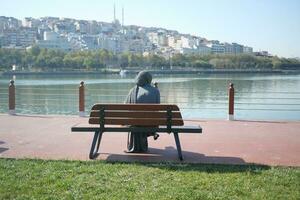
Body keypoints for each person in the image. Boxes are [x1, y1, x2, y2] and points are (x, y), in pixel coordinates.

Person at [125, 70, 160, 153]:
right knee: (148, 119)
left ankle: (135, 145)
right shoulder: (155, 91)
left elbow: (125, 107)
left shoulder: (132, 91)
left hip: (134, 123)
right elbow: (157, 109)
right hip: (151, 125)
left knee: (134, 120)